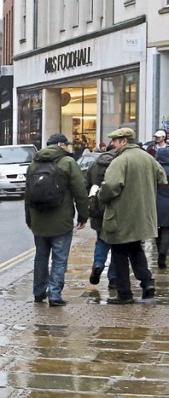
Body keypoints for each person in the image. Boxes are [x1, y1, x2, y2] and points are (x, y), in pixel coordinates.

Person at [98, 127, 167, 304]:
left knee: (119, 253)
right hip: (143, 216)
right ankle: (147, 283)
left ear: (124, 141)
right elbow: (162, 179)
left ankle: (124, 294)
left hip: (122, 215)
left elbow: (111, 186)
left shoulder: (120, 160)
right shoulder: (148, 158)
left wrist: (101, 196)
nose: (113, 144)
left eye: (115, 141)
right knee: (136, 251)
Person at [24, 133, 88, 306]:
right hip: (62, 220)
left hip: (38, 220)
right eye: (66, 144)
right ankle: (54, 295)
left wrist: (29, 219)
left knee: (41, 257)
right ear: (60, 144)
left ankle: (38, 292)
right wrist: (83, 215)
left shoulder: (34, 163)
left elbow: (28, 195)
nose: (68, 147)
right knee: (59, 259)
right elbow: (80, 192)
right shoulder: (68, 162)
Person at [86, 149, 117, 288]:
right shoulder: (118, 163)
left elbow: (86, 185)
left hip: (97, 209)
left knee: (101, 240)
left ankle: (98, 264)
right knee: (117, 245)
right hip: (115, 209)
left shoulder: (94, 164)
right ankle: (113, 278)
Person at [156, 148, 169, 269]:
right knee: (167, 230)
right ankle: (163, 252)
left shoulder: (155, 170)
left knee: (156, 230)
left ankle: (159, 248)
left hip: (156, 203)